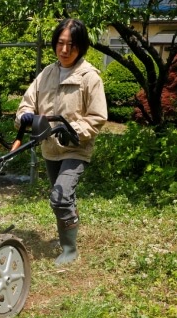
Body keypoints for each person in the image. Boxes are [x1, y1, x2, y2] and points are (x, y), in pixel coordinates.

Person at [15, 18, 107, 267]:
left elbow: (98, 117)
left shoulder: (89, 77)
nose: (65, 50)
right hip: (50, 148)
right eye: (60, 43)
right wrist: (24, 116)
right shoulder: (47, 73)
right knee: (61, 196)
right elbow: (28, 102)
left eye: (72, 45)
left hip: (76, 148)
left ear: (81, 47)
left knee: (60, 196)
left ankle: (69, 249)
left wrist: (73, 130)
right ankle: (69, 229)